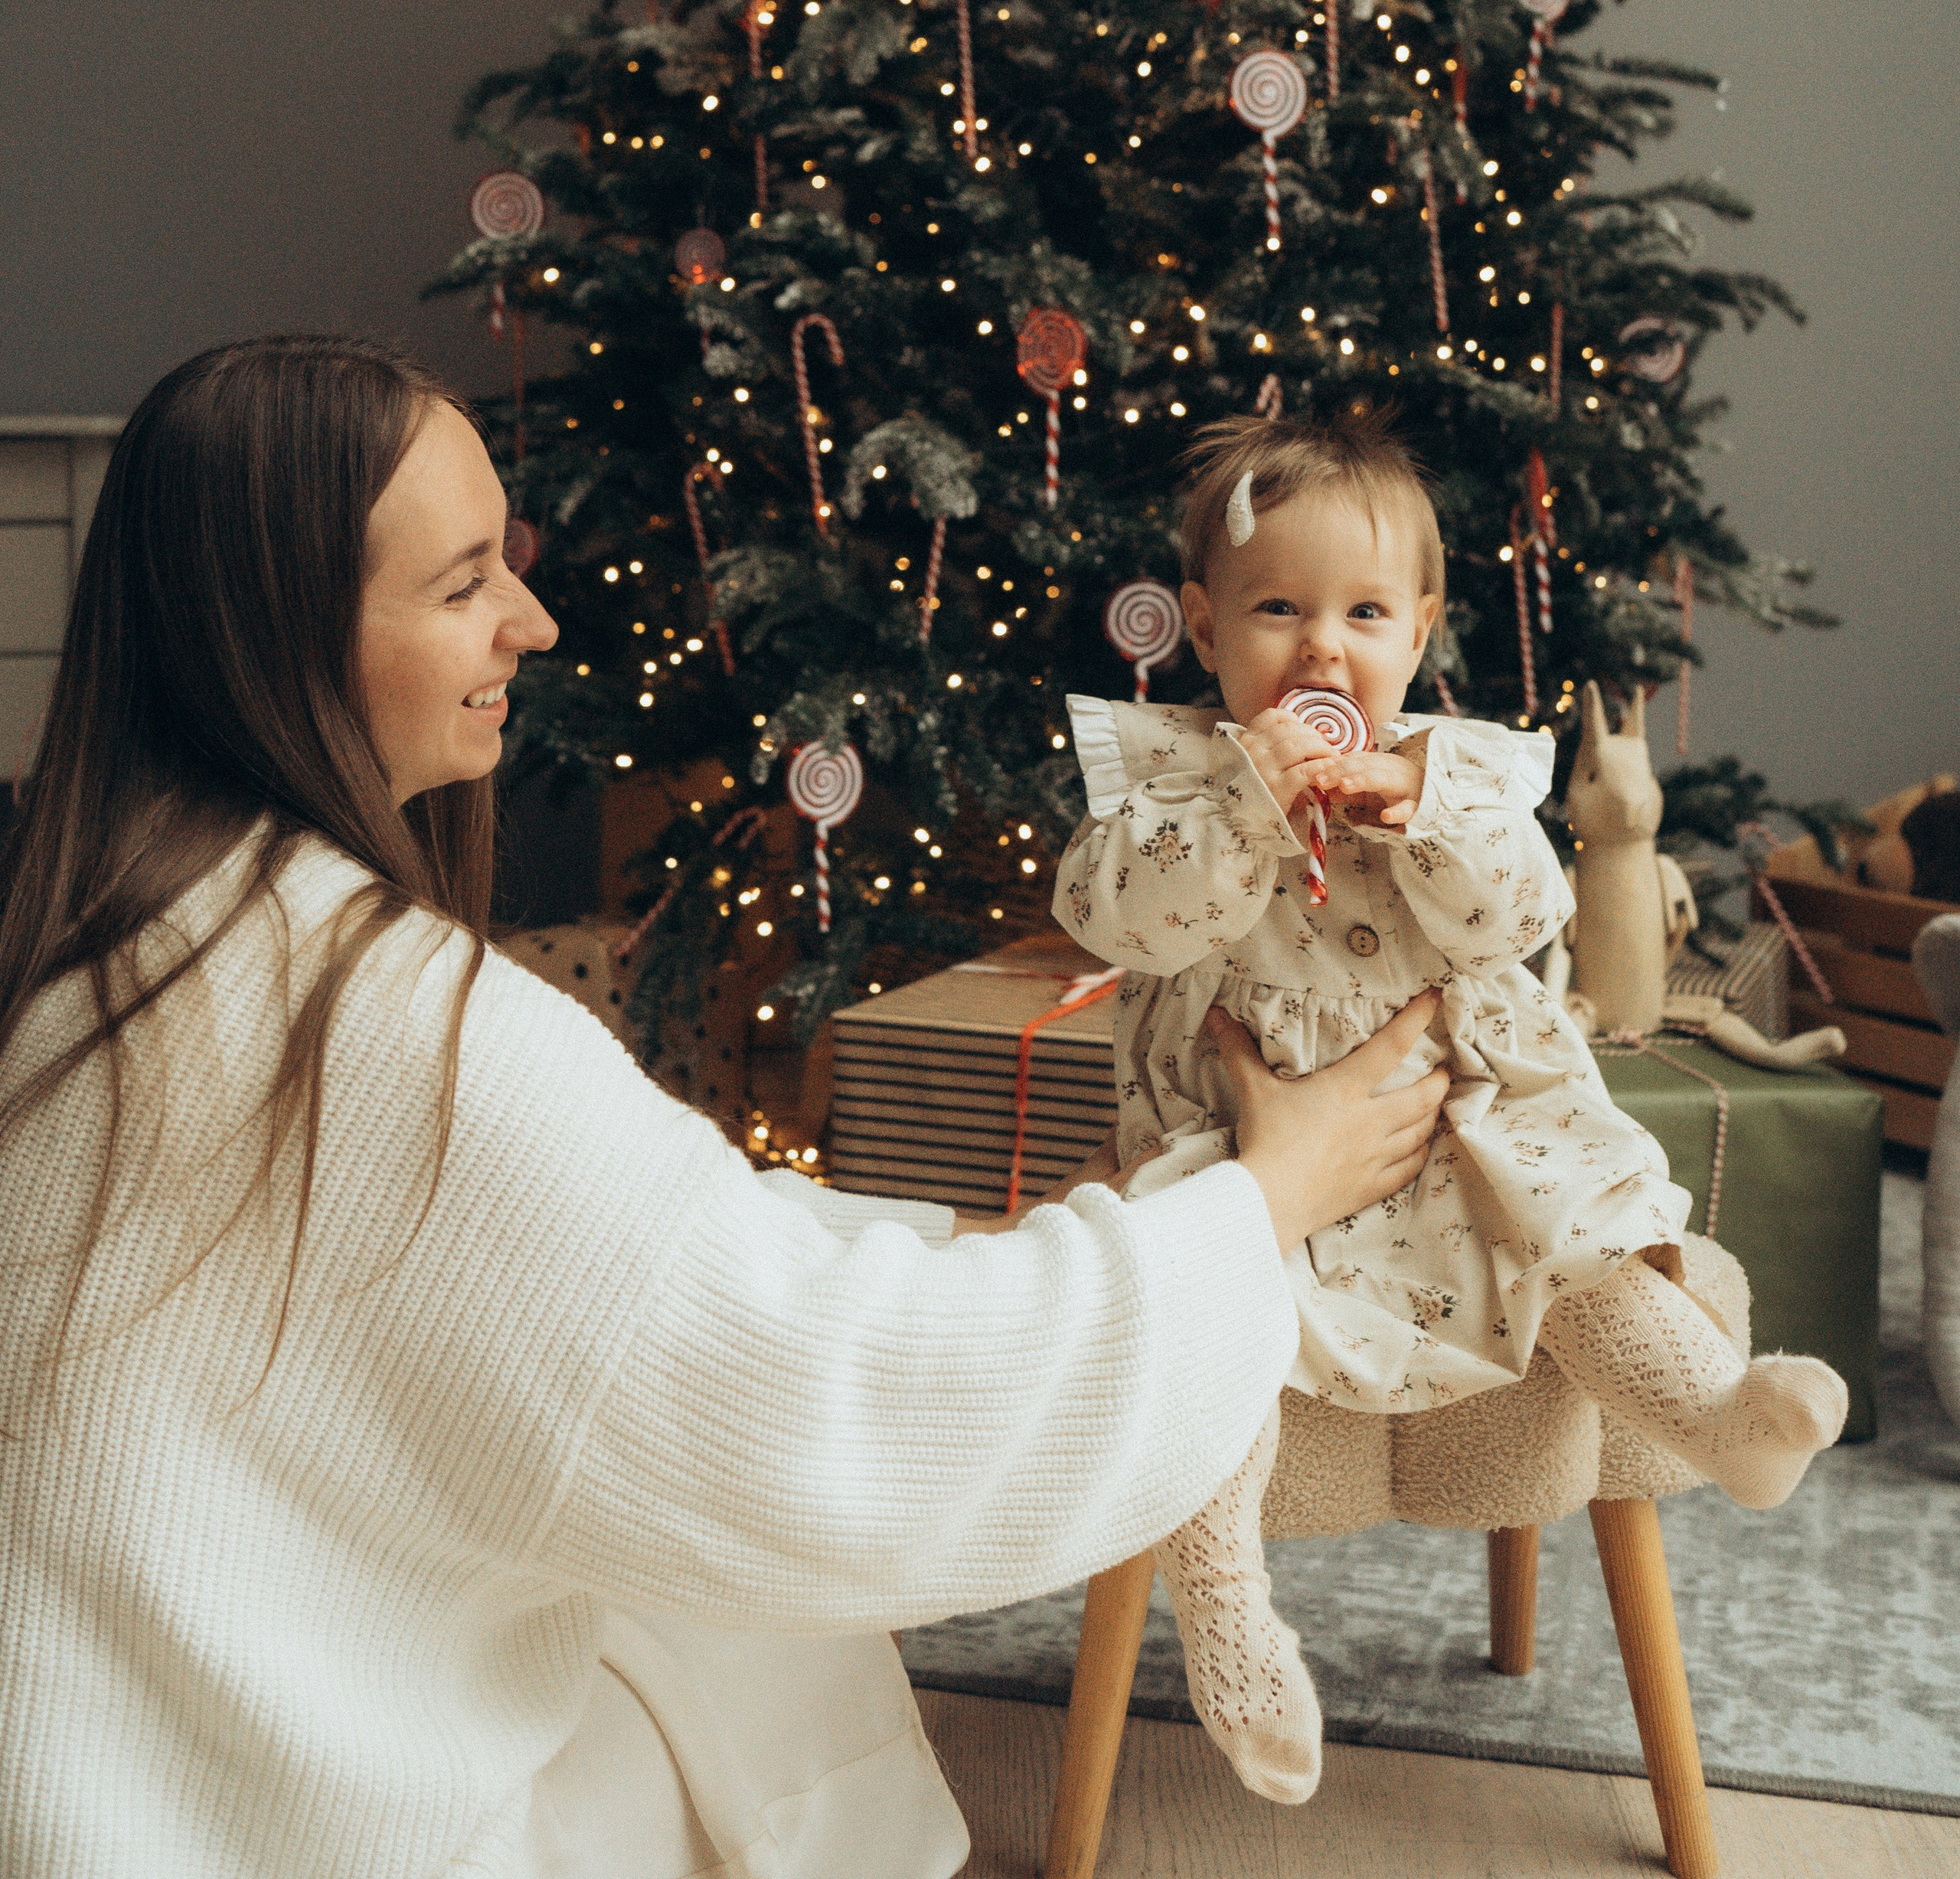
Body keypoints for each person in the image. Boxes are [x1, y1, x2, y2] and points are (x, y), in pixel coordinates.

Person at [0, 336, 1451, 1879]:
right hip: (282, 1832)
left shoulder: (96, 958)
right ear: (278, 637)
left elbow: (603, 1260)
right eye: (462, 583)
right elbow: (822, 1405)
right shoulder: (402, 1034)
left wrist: (948, 1232)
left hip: (98, 1763)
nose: (530, 621)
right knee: (739, 1627)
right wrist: (1259, 1202)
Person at [1055, 410, 1849, 1806]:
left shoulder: (1461, 769)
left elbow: (1524, 913)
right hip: (1249, 1139)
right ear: (1203, 625)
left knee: (1581, 1221)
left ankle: (1718, 1413)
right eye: (1278, 610)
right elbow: (1125, 923)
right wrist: (1253, 811)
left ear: (1419, 629)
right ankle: (1232, 1612)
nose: (1321, 651)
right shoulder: (1172, 776)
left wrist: (1420, 811)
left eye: (1364, 612)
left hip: (1469, 1119)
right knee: (1203, 1297)